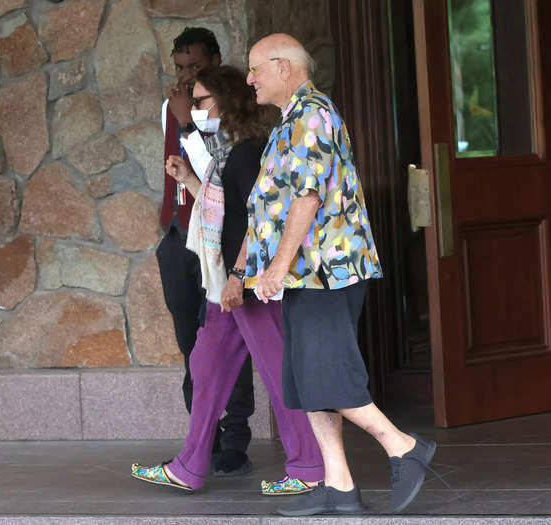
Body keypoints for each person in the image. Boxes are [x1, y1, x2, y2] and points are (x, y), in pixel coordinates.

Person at [243, 33, 437, 516]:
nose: (249, 79)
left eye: (255, 69)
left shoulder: (311, 115)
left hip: (325, 272)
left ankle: (403, 447)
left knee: (327, 376)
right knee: (310, 382)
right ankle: (340, 485)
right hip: (305, 276)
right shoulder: (292, 120)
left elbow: (306, 197)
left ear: (283, 67)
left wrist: (278, 268)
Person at [132, 65, 325, 495]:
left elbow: (258, 221)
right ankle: (191, 464)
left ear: (225, 102)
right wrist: (189, 181)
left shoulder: (247, 151)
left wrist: (240, 277)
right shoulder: (229, 152)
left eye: (202, 102)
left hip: (245, 284)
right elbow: (226, 210)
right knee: (206, 365)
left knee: (276, 371)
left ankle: (309, 466)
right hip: (229, 285)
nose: (195, 109)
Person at [156, 27, 254, 476]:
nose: (185, 76)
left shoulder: (226, 116)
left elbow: (217, 167)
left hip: (221, 243)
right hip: (180, 234)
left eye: (195, 66)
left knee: (230, 337)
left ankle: (235, 436)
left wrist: (191, 121)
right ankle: (201, 442)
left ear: (215, 61)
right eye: (179, 68)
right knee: (192, 343)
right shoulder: (172, 108)